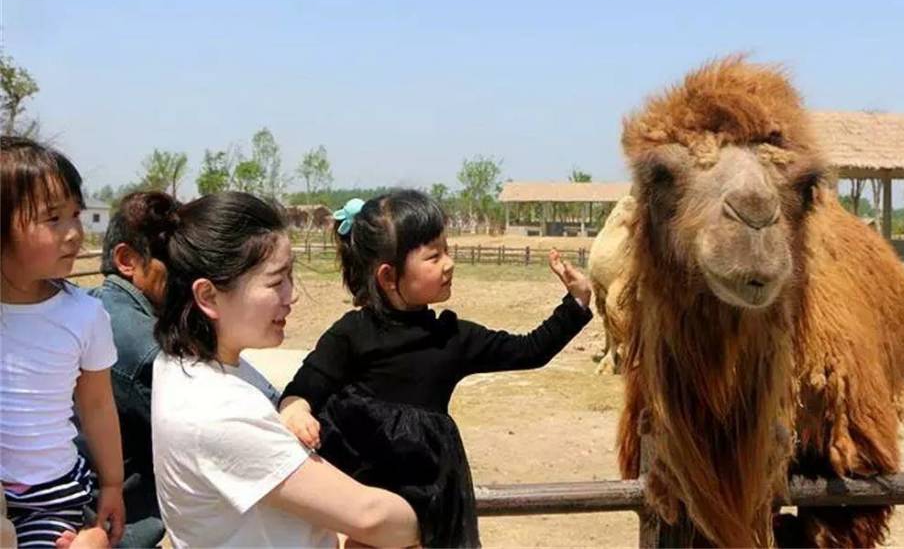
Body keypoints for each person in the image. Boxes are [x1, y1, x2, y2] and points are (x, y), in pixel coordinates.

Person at [279, 190, 594, 547]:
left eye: (447, 250)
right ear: (387, 276)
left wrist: (576, 303)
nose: (449, 263)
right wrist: (296, 410)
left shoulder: (452, 337)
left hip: (429, 507)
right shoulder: (351, 334)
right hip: (362, 508)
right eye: (433, 256)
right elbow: (304, 387)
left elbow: (529, 350)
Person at [151, 191, 419, 548]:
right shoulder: (217, 411)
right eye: (277, 281)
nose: (291, 295)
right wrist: (439, 514)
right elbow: (369, 516)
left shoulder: (188, 365)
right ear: (209, 297)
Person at [1, 136, 125, 547]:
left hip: (50, 497)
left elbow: (97, 404)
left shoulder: (83, 315)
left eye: (76, 214)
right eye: (53, 218)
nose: (74, 233)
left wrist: (111, 484)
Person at [84, 191, 179, 547]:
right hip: (114, 530)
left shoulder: (93, 305)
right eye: (175, 263)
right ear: (127, 260)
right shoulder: (145, 346)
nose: (187, 277)